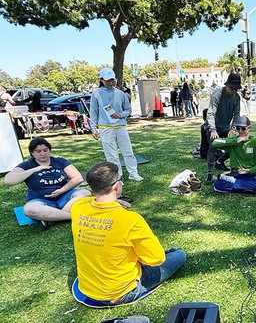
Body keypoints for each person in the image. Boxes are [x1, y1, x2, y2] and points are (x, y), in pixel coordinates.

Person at [70, 162, 186, 305]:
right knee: (178, 255)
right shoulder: (131, 220)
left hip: (87, 288)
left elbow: (86, 200)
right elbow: (156, 259)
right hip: (120, 292)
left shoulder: (77, 208)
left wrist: (112, 202)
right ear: (116, 186)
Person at [4, 137, 91, 229]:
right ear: (32, 153)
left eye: (45, 150)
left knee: (85, 193)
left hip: (64, 197)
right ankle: (71, 216)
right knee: (29, 210)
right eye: (38, 151)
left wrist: (61, 190)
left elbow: (78, 178)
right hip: (41, 201)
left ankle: (52, 217)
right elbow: (8, 180)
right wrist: (35, 169)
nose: (43, 154)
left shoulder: (59, 161)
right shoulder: (28, 165)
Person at [90, 68, 143, 181]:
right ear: (102, 80)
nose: (111, 82)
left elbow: (128, 110)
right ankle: (117, 176)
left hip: (120, 127)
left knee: (128, 151)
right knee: (111, 155)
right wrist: (93, 128)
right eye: (108, 80)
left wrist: (120, 115)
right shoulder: (96, 94)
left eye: (112, 80)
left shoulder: (120, 94)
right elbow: (93, 112)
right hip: (106, 128)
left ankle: (133, 173)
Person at [212, 116, 256, 194]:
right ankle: (247, 189)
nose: (240, 131)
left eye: (243, 128)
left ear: (249, 128)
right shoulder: (233, 141)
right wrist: (236, 140)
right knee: (217, 184)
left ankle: (234, 184)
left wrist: (251, 170)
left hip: (251, 174)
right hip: (236, 174)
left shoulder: (255, 141)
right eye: (238, 128)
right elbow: (215, 143)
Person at [205, 73, 242, 183]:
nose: (234, 91)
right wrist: (213, 129)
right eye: (232, 88)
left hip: (226, 127)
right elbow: (210, 113)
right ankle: (209, 173)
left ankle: (220, 162)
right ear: (227, 85)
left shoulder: (236, 97)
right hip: (214, 127)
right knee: (213, 148)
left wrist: (233, 128)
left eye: (236, 89)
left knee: (234, 145)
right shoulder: (217, 95)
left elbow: (237, 114)